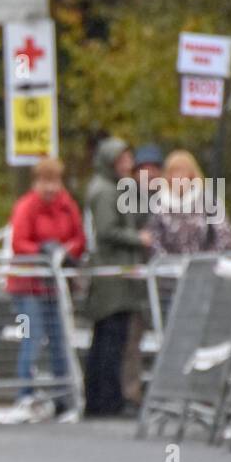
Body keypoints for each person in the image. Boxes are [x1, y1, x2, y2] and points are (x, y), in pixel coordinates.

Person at [7, 157, 86, 420]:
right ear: (36, 182)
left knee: (60, 341)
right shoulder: (26, 207)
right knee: (32, 338)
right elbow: (19, 242)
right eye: (46, 181)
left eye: (55, 181)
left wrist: (65, 252)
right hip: (28, 287)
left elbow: (79, 238)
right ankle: (25, 395)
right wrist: (42, 250)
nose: (51, 188)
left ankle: (63, 396)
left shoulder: (67, 206)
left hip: (54, 288)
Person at [83, 136, 150, 417]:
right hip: (113, 279)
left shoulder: (112, 188)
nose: (129, 165)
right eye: (122, 160)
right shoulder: (106, 191)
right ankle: (106, 400)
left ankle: (101, 399)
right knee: (110, 341)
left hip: (116, 277)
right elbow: (107, 231)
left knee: (107, 340)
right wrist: (138, 238)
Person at [148, 149, 231, 255]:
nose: (177, 177)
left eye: (182, 171)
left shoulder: (208, 201)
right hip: (170, 267)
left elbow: (225, 237)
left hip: (205, 265)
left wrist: (208, 259)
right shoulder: (158, 205)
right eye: (173, 172)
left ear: (192, 174)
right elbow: (154, 240)